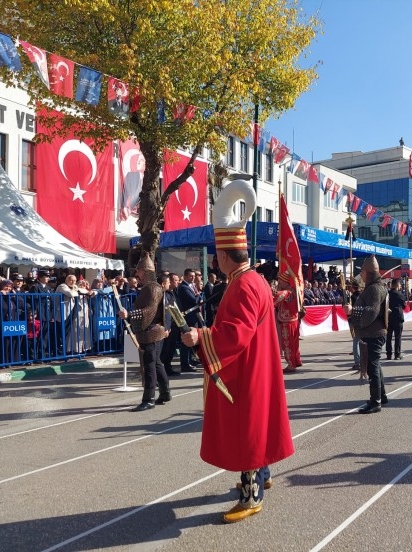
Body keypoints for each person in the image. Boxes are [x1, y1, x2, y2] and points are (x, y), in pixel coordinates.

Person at [180, 178, 293, 523]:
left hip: (246, 372)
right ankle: (264, 474)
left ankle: (251, 495)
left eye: (217, 255)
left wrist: (200, 337)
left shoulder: (244, 285)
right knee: (257, 426)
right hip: (256, 367)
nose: (215, 261)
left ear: (228, 256)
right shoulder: (252, 279)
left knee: (247, 431)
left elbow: (234, 335)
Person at [118, 253, 171, 412]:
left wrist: (130, 314)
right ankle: (165, 392)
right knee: (156, 363)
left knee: (149, 365)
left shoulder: (152, 288)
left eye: (140, 271)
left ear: (146, 271)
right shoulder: (150, 287)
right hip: (154, 330)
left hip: (151, 331)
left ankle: (149, 399)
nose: (137, 274)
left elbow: (149, 310)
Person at [344, 255, 388, 414]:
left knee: (372, 367)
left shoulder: (375, 289)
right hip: (372, 333)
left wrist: (352, 311)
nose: (360, 274)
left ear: (368, 272)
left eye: (362, 271)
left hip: (373, 333)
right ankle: (381, 396)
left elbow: (372, 312)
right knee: (375, 365)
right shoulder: (373, 287)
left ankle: (376, 401)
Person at [274, 272, 302, 373]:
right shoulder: (294, 290)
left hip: (287, 320)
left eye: (280, 280)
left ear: (283, 281)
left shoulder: (286, 292)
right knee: (294, 343)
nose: (278, 282)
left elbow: (275, 301)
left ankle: (291, 364)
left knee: (288, 343)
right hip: (294, 319)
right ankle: (296, 360)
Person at [175, 268, 200, 373]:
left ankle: (190, 359)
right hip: (188, 317)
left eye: (194, 276)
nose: (193, 278)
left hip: (194, 316)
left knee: (192, 340)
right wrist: (199, 296)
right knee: (186, 340)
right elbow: (194, 300)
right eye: (191, 276)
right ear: (185, 276)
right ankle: (184, 363)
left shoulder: (191, 286)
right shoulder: (184, 287)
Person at [385, 278, 406, 360]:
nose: (400, 286)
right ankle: (397, 354)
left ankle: (388, 354)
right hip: (398, 317)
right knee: (398, 337)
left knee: (388, 337)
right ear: (397, 285)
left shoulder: (387, 294)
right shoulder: (400, 294)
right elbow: (404, 306)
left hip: (389, 317)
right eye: (400, 284)